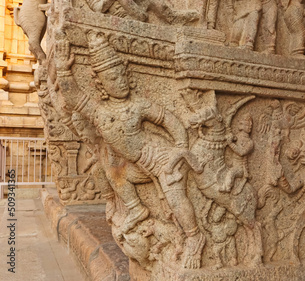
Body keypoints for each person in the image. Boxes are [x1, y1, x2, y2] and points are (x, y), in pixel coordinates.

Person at [55, 30, 205, 269]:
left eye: (122, 76)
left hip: (161, 158)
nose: (120, 81)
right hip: (136, 165)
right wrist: (63, 69)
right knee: (111, 170)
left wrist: (180, 147)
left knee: (176, 198)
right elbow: (73, 96)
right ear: (100, 83)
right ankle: (136, 209)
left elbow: (168, 120)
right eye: (112, 79)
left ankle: (194, 237)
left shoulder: (137, 105)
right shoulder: (99, 112)